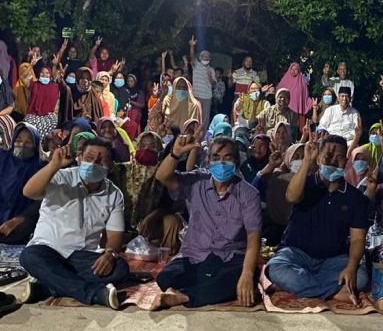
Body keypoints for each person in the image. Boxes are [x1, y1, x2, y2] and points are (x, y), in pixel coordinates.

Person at [153, 135, 261, 309]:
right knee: (165, 278)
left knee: (244, 275)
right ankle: (206, 289)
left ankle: (184, 296)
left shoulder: (249, 194)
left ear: (237, 162)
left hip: (229, 257)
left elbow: (253, 237)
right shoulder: (196, 181)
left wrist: (247, 274)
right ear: (208, 161)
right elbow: (163, 176)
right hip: (195, 255)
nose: (222, 163)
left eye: (228, 158)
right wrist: (175, 154)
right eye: (216, 158)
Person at [20, 138, 128, 309]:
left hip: (81, 255)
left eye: (102, 160)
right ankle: (95, 294)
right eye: (90, 157)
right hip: (48, 250)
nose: (94, 163)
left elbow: (115, 235)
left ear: (111, 166)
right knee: (29, 257)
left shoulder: (114, 194)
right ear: (79, 157)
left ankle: (48, 286)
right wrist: (53, 166)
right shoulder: (61, 176)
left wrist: (110, 254)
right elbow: (29, 191)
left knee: (120, 268)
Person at [266, 136, 369, 304]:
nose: (333, 161)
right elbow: (291, 196)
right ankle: (333, 292)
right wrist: (307, 161)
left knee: (361, 277)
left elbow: (358, 239)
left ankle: (302, 286)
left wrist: (350, 268)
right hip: (296, 254)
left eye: (339, 157)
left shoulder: (355, 197)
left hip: (333, 260)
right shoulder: (305, 182)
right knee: (275, 268)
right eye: (328, 155)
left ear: (346, 161)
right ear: (319, 157)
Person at [119, 131, 182, 254]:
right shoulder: (122, 169)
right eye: (142, 146)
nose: (146, 149)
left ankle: (165, 259)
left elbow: (170, 203)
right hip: (122, 224)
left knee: (172, 221)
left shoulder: (164, 172)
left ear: (159, 149)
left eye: (152, 146)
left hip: (153, 225)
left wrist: (154, 215)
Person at [23, 66, 60, 139]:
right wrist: (31, 65)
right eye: (42, 73)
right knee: (30, 126)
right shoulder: (34, 85)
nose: (44, 75)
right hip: (33, 114)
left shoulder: (55, 87)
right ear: (39, 74)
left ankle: (44, 146)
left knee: (54, 124)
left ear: (50, 75)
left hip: (49, 115)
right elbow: (22, 77)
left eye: (47, 73)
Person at [277, 62, 313, 134]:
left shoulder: (302, 82)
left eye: (296, 69)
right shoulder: (284, 80)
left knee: (298, 131)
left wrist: (310, 103)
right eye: (292, 69)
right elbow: (278, 93)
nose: (293, 71)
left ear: (299, 71)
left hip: (298, 111)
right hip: (285, 111)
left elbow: (305, 96)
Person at [188, 39, 216, 131]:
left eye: (208, 57)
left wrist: (209, 77)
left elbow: (213, 84)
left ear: (210, 59)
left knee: (205, 118)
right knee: (195, 116)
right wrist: (192, 46)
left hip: (207, 96)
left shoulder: (211, 70)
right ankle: (193, 135)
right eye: (204, 57)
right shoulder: (196, 65)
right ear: (200, 58)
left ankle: (203, 138)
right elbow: (192, 57)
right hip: (196, 95)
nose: (206, 58)